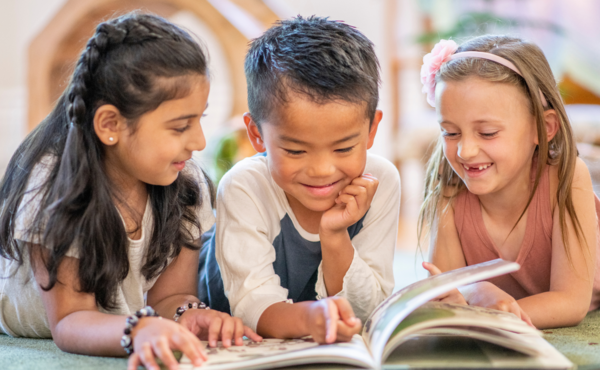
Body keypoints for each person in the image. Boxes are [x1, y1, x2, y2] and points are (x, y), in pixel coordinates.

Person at [0, 13, 260, 370]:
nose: (198, 141)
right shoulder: (52, 187)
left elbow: (167, 297)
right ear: (110, 124)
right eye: (180, 126)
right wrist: (139, 329)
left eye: (199, 119)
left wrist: (189, 313)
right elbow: (70, 322)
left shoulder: (185, 183)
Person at [198, 15, 400, 344]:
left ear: (372, 129)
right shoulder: (244, 186)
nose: (322, 170)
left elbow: (368, 310)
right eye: (295, 151)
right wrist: (314, 318)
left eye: (344, 147)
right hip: (224, 309)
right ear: (257, 134)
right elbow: (251, 306)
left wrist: (335, 236)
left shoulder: (381, 181)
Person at [418, 35, 600, 329]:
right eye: (450, 133)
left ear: (544, 128)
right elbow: (444, 289)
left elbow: (570, 302)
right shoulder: (449, 187)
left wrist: (490, 315)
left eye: (487, 133)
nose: (465, 151)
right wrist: (473, 290)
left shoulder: (567, 176)